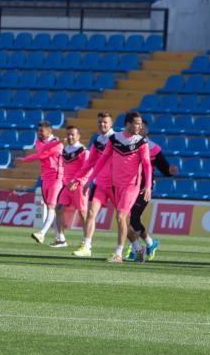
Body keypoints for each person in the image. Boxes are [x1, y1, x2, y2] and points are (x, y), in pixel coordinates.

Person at [70, 111, 151, 264]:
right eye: (137, 123)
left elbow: (146, 164)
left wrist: (147, 186)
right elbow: (101, 160)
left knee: (120, 217)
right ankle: (138, 248)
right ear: (128, 124)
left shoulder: (142, 142)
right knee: (123, 221)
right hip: (114, 185)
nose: (140, 126)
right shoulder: (114, 139)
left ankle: (118, 254)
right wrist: (89, 180)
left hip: (131, 186)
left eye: (141, 124)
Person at [125, 120, 178, 261]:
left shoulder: (153, 148)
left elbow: (164, 169)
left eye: (143, 126)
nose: (140, 128)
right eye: (138, 125)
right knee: (127, 218)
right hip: (129, 185)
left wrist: (170, 171)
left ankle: (136, 247)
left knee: (132, 217)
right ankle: (148, 243)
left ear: (146, 130)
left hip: (145, 187)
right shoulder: (128, 143)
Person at [72, 111, 116, 258]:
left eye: (105, 122)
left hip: (117, 184)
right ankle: (87, 246)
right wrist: (78, 179)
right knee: (91, 214)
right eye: (100, 122)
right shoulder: (97, 140)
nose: (102, 124)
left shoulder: (117, 139)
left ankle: (138, 245)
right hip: (99, 183)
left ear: (111, 124)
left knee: (124, 218)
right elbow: (89, 163)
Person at [18, 121, 63, 244]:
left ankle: (42, 233)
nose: (39, 133)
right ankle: (60, 239)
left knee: (51, 206)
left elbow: (43, 155)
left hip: (57, 177)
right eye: (38, 131)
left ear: (49, 131)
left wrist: (24, 159)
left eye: (41, 131)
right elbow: (41, 152)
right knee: (51, 208)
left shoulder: (57, 143)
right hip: (45, 178)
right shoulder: (38, 142)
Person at [50, 125, 90, 248]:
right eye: (68, 134)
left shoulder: (83, 151)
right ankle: (61, 239)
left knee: (83, 214)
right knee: (58, 209)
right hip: (67, 186)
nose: (70, 136)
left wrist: (77, 182)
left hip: (79, 186)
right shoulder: (65, 150)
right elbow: (62, 166)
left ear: (78, 136)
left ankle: (86, 241)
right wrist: (65, 181)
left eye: (73, 134)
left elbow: (88, 169)